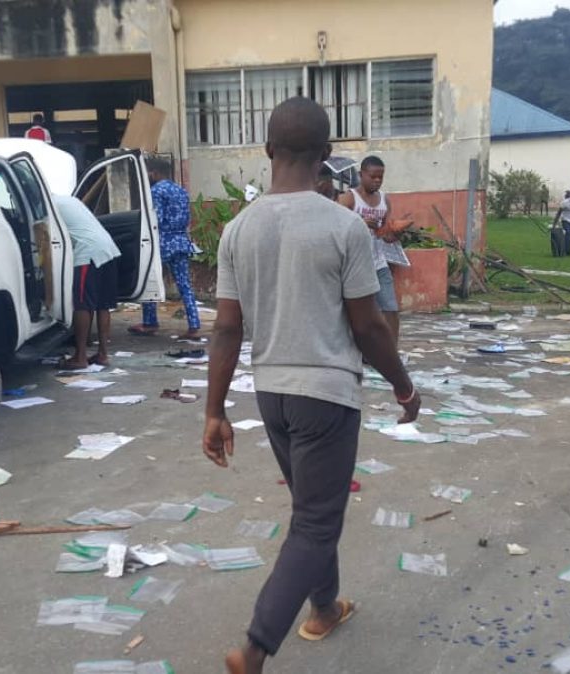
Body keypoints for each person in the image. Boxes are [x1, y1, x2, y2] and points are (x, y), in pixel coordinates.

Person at [204, 96, 420, 674]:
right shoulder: (344, 227)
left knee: (311, 512)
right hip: (326, 396)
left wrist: (214, 411)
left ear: (268, 150)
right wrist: (404, 387)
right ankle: (254, 648)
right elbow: (368, 327)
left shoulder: (237, 230)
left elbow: (226, 328)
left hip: (271, 394)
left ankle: (324, 607)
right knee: (317, 522)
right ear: (326, 155)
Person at [337, 156, 408, 349]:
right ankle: (356, 350)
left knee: (390, 308)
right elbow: (336, 225)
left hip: (378, 262)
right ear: (361, 175)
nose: (377, 180)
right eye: (373, 176)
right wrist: (360, 222)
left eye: (380, 177)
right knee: (357, 312)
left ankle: (391, 351)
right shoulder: (349, 198)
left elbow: (385, 234)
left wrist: (393, 233)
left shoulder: (384, 200)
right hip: (354, 265)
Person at [129, 157, 202, 339]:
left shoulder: (155, 191)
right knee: (184, 285)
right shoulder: (181, 190)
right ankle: (194, 326)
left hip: (162, 243)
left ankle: (150, 323)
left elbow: (157, 219)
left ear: (154, 173)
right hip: (181, 241)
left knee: (150, 280)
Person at [51, 194, 121, 369]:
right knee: (102, 305)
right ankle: (103, 354)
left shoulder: (48, 205)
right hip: (108, 249)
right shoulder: (69, 200)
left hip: (88, 253)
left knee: (81, 304)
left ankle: (80, 357)